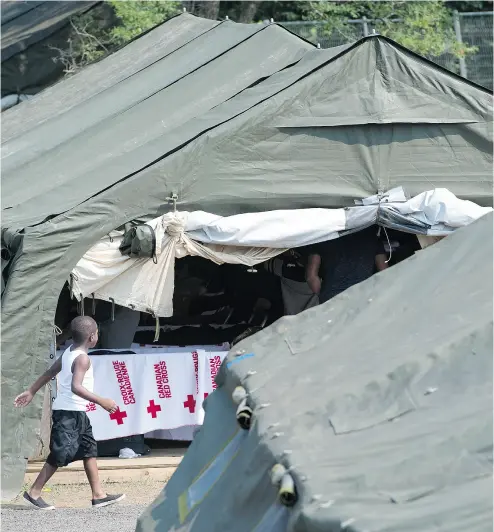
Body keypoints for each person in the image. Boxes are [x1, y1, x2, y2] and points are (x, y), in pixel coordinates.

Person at [14, 316, 125, 510]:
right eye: (97, 332)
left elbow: (50, 373)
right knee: (60, 454)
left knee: (89, 450)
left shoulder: (69, 352)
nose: (97, 335)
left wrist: (31, 391)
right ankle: (34, 492)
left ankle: (98, 495)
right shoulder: (82, 358)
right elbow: (76, 387)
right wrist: (102, 401)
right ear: (92, 337)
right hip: (68, 414)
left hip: (78, 414)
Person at [306, 225, 388, 304]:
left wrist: (324, 295)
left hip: (332, 299)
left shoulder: (323, 235)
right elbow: (384, 273)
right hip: (362, 297)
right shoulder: (371, 234)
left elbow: (311, 277)